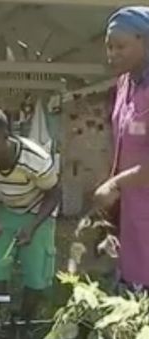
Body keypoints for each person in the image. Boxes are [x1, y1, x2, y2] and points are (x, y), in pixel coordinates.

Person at [0, 105, 61, 322]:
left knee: (36, 275)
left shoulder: (36, 159)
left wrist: (32, 228)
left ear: (6, 136)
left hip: (39, 213)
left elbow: (54, 193)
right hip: (6, 210)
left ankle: (24, 323)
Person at [94, 6, 149, 292]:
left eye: (120, 46)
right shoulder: (124, 84)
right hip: (129, 210)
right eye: (109, 47)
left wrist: (115, 183)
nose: (112, 54)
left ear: (145, 40)